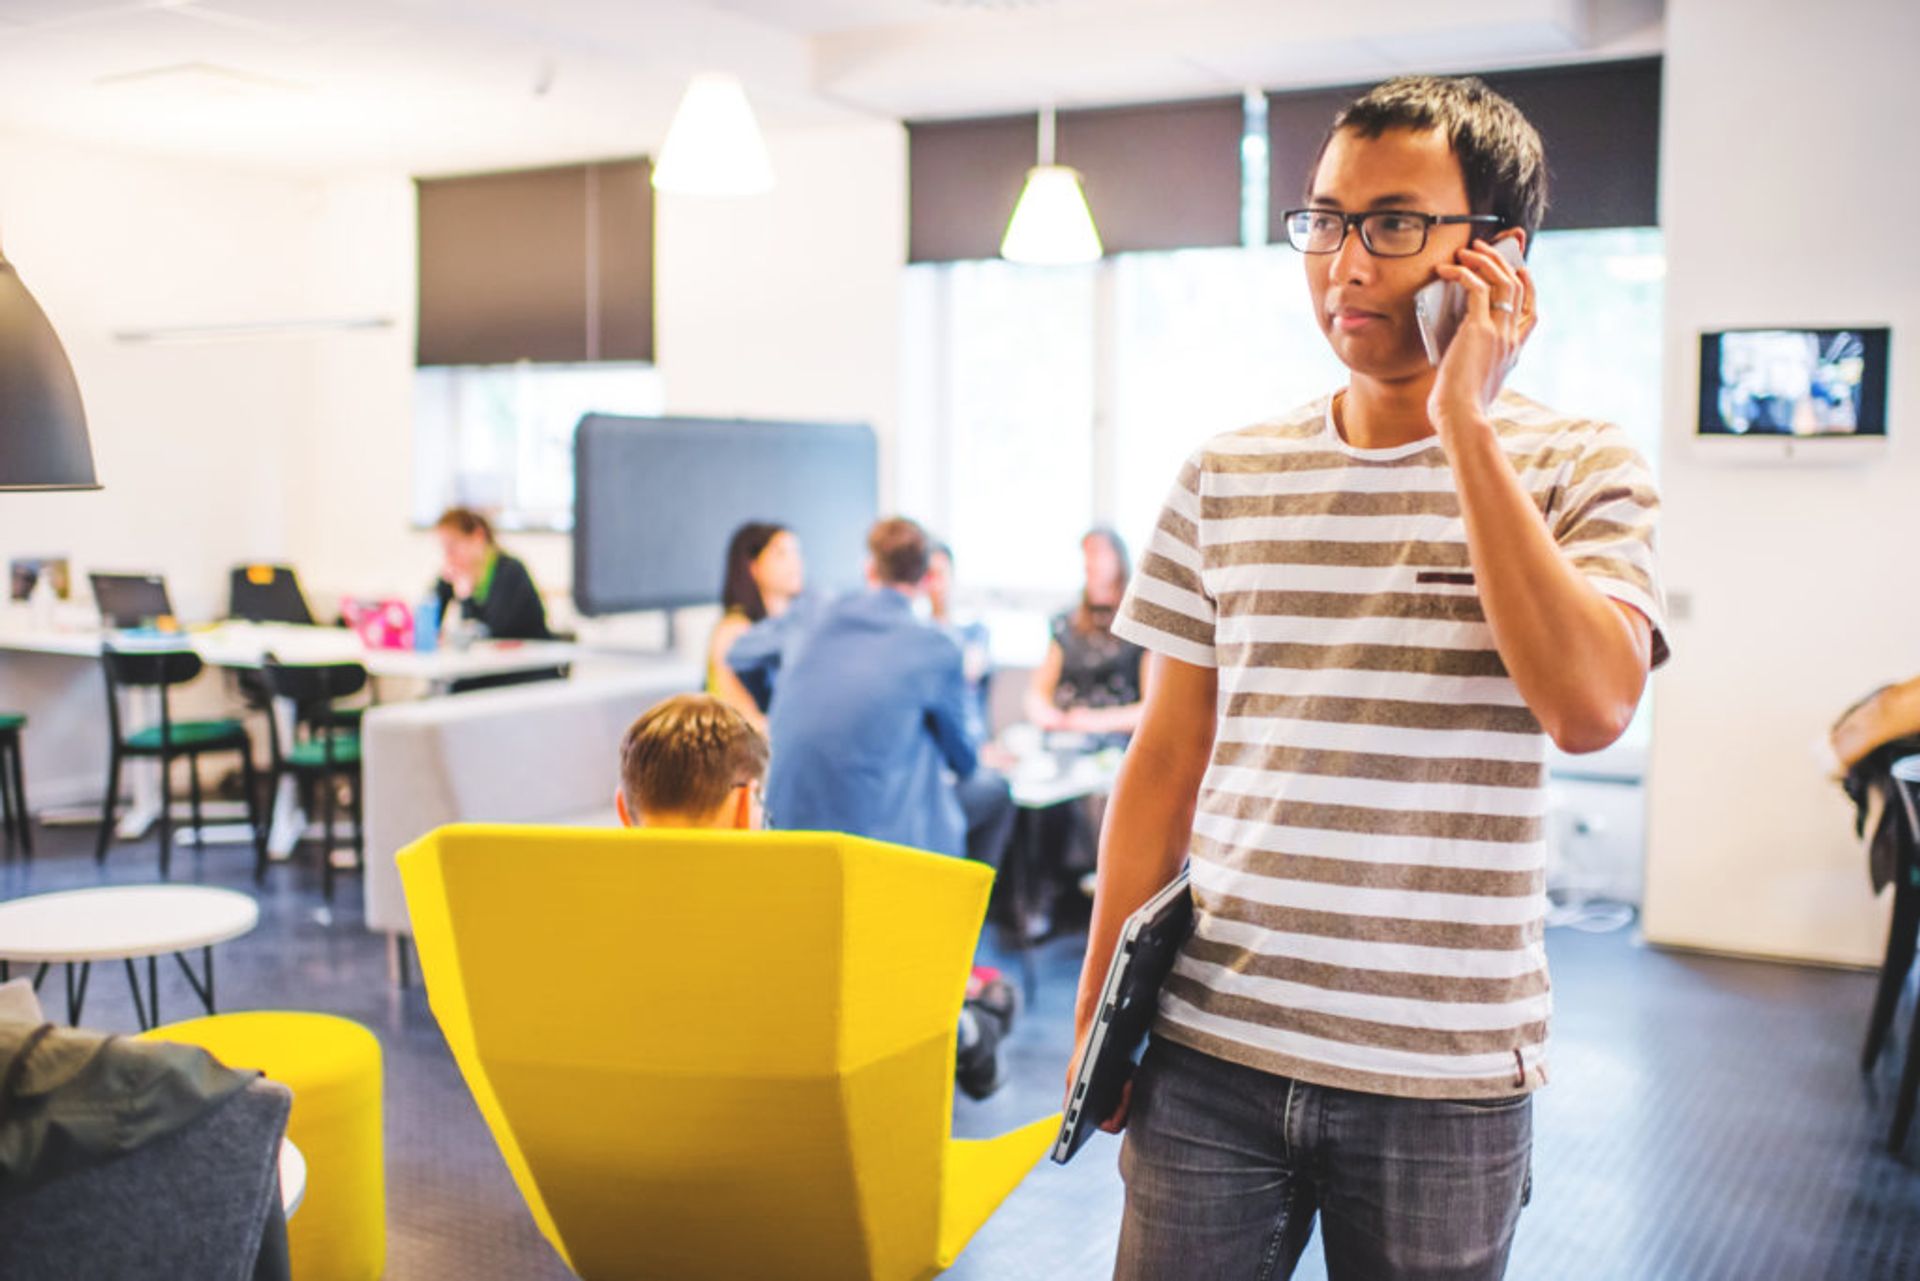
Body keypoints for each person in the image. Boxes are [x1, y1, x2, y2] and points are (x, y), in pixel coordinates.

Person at [1072, 75, 1668, 1281]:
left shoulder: (1579, 464)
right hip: (1212, 1048)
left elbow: (1591, 706)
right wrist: (1098, 1020)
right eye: (1325, 219)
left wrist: (1466, 423)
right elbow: (1167, 759)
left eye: (1395, 224)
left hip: (1443, 1077)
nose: (1346, 262)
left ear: (1496, 256)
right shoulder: (1225, 475)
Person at [613, 692, 1015, 1098]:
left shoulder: (586, 920)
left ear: (623, 811)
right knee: (982, 1002)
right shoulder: (804, 924)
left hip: (618, 1153)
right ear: (743, 807)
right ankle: (974, 1030)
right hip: (802, 1150)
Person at [728, 517, 979, 860]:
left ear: (869, 568)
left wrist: (777, 702)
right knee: (971, 790)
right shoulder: (937, 645)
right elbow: (964, 758)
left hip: (787, 825)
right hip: (878, 842)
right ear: (926, 578)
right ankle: (966, 908)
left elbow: (741, 655)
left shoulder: (812, 613)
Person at [925, 541, 1017, 871]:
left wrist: (983, 749)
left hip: (969, 751)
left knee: (1006, 789)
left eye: (940, 574)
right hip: (939, 764)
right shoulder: (915, 641)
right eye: (927, 574)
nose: (934, 583)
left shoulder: (971, 634)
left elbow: (972, 701)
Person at [1026, 528, 1149, 739]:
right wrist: (1049, 717)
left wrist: (1095, 721)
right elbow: (1037, 694)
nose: (1090, 562)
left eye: (1099, 552)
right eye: (1086, 554)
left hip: (1117, 742)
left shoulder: (1142, 627)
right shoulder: (1065, 624)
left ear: (1119, 560)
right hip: (1066, 738)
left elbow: (1152, 708)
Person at [707, 523, 805, 733]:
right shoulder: (733, 630)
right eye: (781, 554)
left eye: (796, 552)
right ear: (753, 566)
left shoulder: (792, 625)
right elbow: (741, 715)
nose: (795, 562)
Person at [432, 507, 552, 641]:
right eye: (445, 547)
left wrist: (467, 599)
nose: (449, 555)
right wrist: (442, 586)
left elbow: (488, 633)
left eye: (453, 545)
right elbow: (429, 619)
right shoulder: (457, 573)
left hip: (531, 656)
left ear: (478, 536)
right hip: (493, 659)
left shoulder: (510, 571)